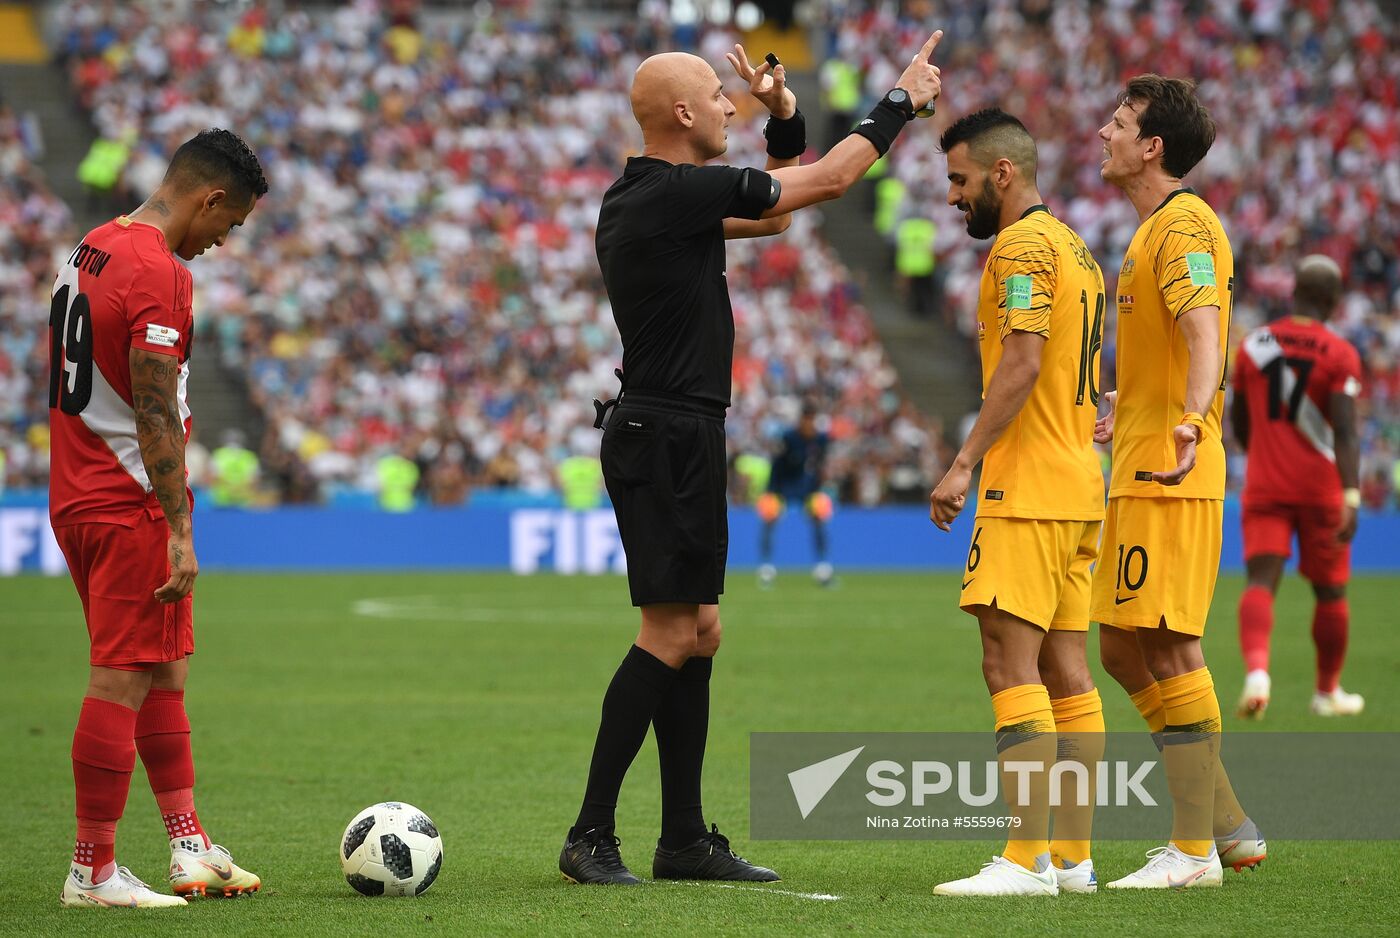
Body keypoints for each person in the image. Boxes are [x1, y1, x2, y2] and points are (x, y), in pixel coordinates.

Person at [561, 33, 945, 885]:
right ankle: (590, 834)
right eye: (717, 95)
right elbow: (830, 182)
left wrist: (785, 117)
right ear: (683, 113)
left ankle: (683, 840)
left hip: (680, 427)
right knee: (669, 632)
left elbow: (773, 215)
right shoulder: (672, 192)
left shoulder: (656, 197)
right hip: (666, 430)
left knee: (699, 631)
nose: (729, 104)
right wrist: (899, 102)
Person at [49, 128, 266, 908]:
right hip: (128, 498)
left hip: (78, 488)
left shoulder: (92, 246)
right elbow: (152, 408)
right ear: (209, 198)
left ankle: (188, 844)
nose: (221, 240)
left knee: (162, 667)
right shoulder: (159, 270)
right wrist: (178, 526)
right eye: (228, 224)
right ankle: (93, 871)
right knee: (119, 677)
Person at [1091, 76, 1265, 889]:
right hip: (1139, 462)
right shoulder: (1151, 230)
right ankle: (1225, 821)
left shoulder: (1185, 224)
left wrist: (1193, 420)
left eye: (1119, 123)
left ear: (1151, 146)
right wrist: (1131, 401)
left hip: (1172, 467)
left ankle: (1194, 849)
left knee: (1167, 643)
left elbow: (1204, 333)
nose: (1105, 133)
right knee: (1122, 646)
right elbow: (1173, 344)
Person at [928, 108, 1106, 897]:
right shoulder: (1075, 247)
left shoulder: (1023, 246)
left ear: (1002, 173)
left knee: (1009, 661)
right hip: (1078, 482)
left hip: (1027, 484)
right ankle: (1072, 858)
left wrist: (964, 462)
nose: (952, 197)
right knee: (1068, 671)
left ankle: (1027, 857)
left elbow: (1026, 360)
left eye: (959, 180)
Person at [1231, 254, 1365, 719]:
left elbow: (1240, 421)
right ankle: (1326, 694)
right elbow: (1345, 431)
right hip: (1320, 490)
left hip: (1266, 485)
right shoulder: (1340, 353)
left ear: (1294, 293)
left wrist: (1263, 455)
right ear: (1333, 300)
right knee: (1330, 592)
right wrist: (1352, 495)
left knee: (1260, 582)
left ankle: (1257, 674)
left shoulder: (1255, 345)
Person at [756, 405, 834, 588]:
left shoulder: (821, 440)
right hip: (781, 487)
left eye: (812, 419)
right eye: (807, 419)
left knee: (820, 519)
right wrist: (771, 490)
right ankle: (766, 569)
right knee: (769, 520)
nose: (809, 424)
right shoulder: (789, 438)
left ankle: (823, 569)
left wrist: (818, 485)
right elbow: (777, 464)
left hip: (808, 488)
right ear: (802, 420)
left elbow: (819, 465)